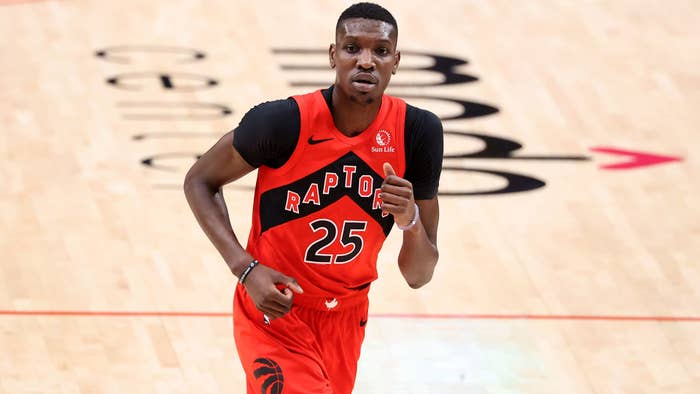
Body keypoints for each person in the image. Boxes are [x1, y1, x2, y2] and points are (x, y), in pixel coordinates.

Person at [184, 2, 443, 393]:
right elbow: (199, 180)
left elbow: (418, 275)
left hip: (346, 320)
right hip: (274, 307)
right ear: (332, 55)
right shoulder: (283, 122)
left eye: (381, 51)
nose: (366, 61)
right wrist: (245, 268)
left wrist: (409, 221)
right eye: (353, 48)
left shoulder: (416, 133)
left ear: (396, 61)